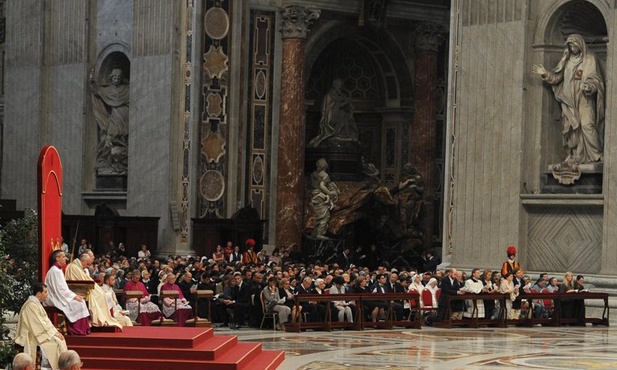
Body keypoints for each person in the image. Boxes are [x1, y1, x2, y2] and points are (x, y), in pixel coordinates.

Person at [532, 34, 605, 164]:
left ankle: (596, 154)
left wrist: (590, 87)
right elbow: (557, 78)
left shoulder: (589, 59)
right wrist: (545, 73)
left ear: (580, 45)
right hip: (568, 101)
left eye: (575, 45)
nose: (573, 47)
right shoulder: (566, 60)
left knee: (587, 125)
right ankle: (575, 154)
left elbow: (596, 80)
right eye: (570, 45)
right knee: (570, 128)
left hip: (584, 98)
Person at [15, 283, 68, 370]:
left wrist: (55, 332)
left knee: (60, 340)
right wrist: (52, 334)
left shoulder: (36, 303)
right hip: (32, 336)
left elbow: (45, 321)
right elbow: (38, 324)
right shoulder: (30, 305)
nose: (47, 294)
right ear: (39, 294)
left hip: (38, 333)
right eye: (45, 292)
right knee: (55, 343)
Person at [64, 252, 122, 329]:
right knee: (99, 295)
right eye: (87, 264)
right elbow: (82, 280)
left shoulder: (79, 267)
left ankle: (101, 317)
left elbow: (86, 279)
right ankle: (97, 319)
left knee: (102, 294)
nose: (87, 266)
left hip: (83, 287)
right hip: (78, 290)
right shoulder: (74, 267)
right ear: (83, 260)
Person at [90, 66, 130, 174]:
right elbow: (96, 91)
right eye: (114, 78)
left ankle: (120, 162)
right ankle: (107, 162)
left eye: (118, 78)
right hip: (114, 116)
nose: (116, 80)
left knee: (122, 136)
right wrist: (92, 79)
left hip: (124, 115)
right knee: (110, 136)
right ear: (111, 78)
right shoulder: (108, 90)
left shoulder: (127, 89)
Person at [44, 250, 90, 335]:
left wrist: (74, 296)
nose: (66, 258)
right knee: (79, 303)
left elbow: (62, 289)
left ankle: (82, 329)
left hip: (60, 295)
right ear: (57, 258)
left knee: (81, 301)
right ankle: (75, 330)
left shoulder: (58, 270)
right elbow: (60, 290)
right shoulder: (54, 271)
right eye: (63, 257)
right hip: (54, 297)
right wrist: (74, 296)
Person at [308, 78, 359, 148]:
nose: (340, 87)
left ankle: (344, 133)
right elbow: (328, 109)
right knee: (340, 115)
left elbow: (349, 106)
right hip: (334, 119)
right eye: (338, 85)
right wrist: (341, 104)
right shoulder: (329, 96)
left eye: (341, 85)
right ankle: (336, 133)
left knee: (346, 118)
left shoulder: (343, 96)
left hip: (344, 118)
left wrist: (348, 105)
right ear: (334, 85)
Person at [309, 158, 340, 239]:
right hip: (321, 196)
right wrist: (330, 194)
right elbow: (322, 186)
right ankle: (319, 233)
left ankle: (315, 232)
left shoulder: (313, 174)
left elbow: (312, 185)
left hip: (314, 195)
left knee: (318, 215)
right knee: (325, 216)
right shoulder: (325, 175)